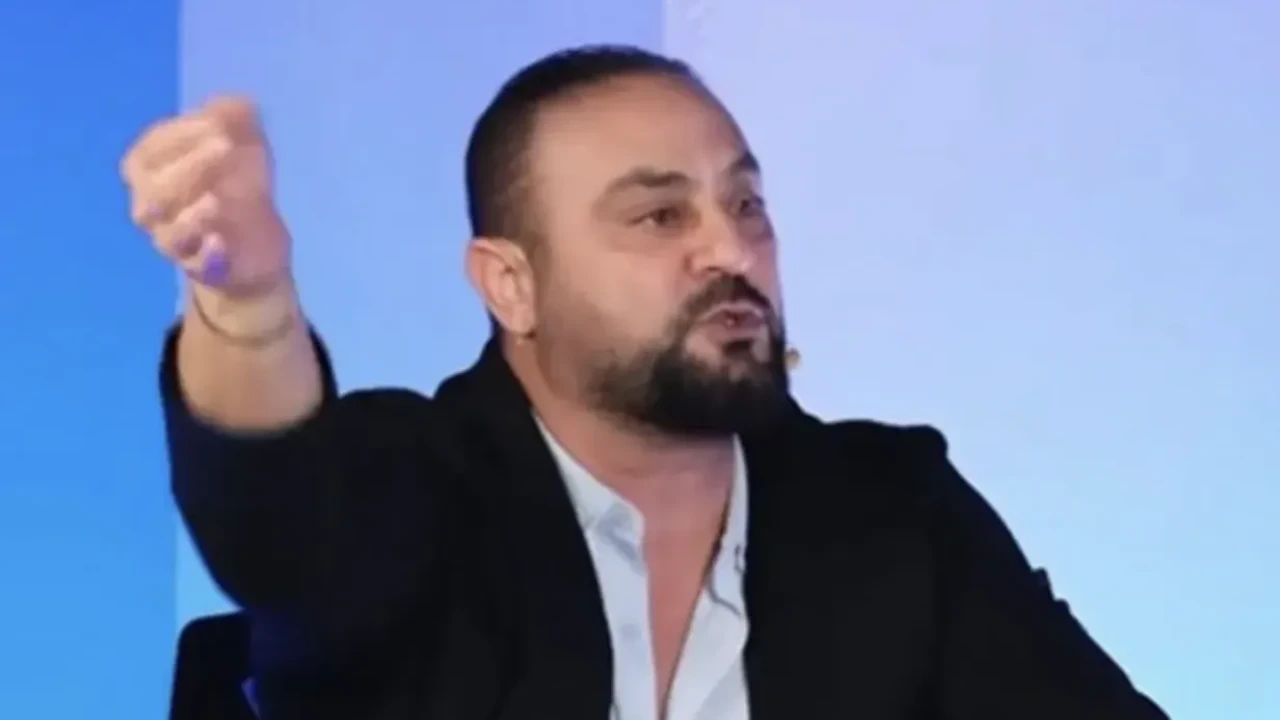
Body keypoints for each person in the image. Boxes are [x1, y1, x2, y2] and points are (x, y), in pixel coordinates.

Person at [122, 45, 1168, 720]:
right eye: (660, 216)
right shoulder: (415, 487)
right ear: (511, 285)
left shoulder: (888, 510)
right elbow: (272, 514)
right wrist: (249, 305)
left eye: (746, 206)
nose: (733, 250)